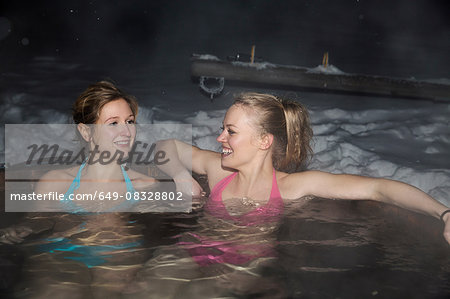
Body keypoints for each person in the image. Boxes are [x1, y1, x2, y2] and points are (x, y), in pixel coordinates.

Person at [0, 81, 157, 297]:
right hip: (61, 252)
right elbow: (39, 219)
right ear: (86, 132)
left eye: (130, 121)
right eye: (113, 123)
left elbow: (159, 231)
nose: (126, 131)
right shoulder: (56, 181)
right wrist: (25, 228)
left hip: (118, 255)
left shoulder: (145, 186)